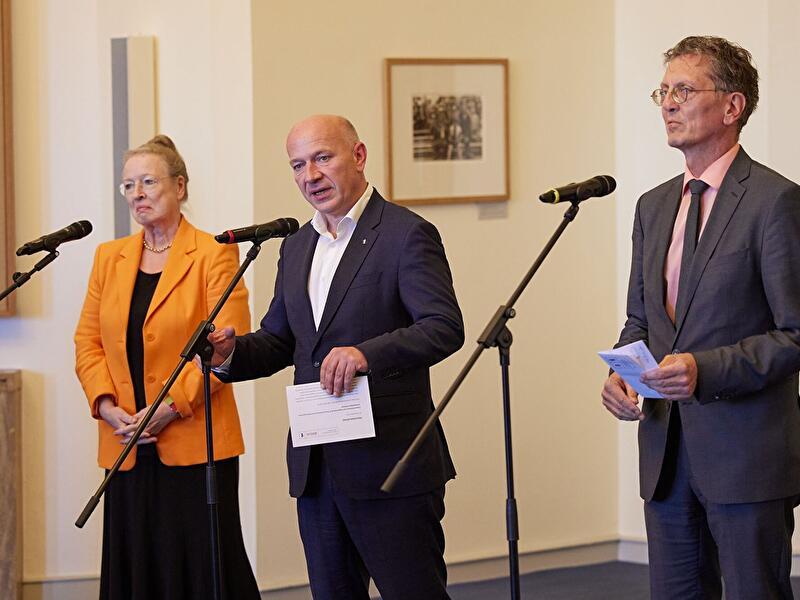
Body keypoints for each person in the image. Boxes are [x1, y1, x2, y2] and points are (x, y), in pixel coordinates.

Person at [208, 114, 464, 600]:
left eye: (323, 158)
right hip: (318, 466)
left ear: (359, 156)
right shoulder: (297, 246)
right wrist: (230, 353)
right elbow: (282, 341)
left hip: (390, 462)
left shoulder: (406, 234)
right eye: (298, 165)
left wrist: (365, 354)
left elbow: (444, 328)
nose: (310, 176)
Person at [601, 36, 800, 599]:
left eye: (684, 90)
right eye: (662, 91)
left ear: (732, 107)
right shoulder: (653, 204)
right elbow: (641, 320)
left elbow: (795, 333)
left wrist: (704, 370)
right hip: (665, 453)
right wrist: (623, 373)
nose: (668, 102)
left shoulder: (774, 202)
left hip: (745, 456)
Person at [74, 135, 260, 600]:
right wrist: (105, 405)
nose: (137, 193)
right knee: (136, 566)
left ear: (179, 186)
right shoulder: (108, 258)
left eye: (148, 182)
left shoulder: (216, 252)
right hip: (125, 441)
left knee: (203, 567)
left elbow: (224, 349)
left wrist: (170, 406)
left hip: (196, 438)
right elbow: (88, 341)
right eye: (128, 185)